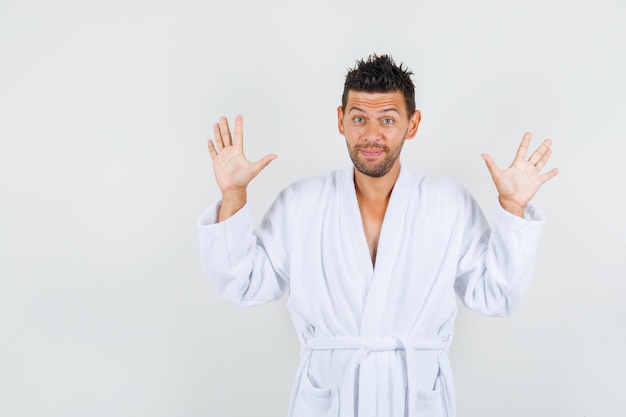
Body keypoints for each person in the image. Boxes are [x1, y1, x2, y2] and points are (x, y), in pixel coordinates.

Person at [197, 54, 558, 417]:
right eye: (359, 119)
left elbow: (496, 296)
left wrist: (512, 205)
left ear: (412, 124)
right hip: (328, 398)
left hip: (415, 399)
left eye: (387, 119)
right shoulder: (300, 203)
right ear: (341, 121)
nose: (372, 135)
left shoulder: (448, 204)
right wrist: (233, 196)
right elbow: (241, 284)